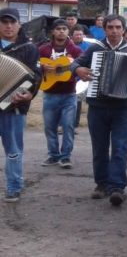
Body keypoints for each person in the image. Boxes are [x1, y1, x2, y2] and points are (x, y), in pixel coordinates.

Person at [72, 14, 127, 206]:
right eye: (110, 27)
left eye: (118, 27)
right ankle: (101, 184)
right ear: (104, 29)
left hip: (124, 107)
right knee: (99, 147)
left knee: (120, 147)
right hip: (98, 105)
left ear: (123, 29)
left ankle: (117, 187)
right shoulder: (95, 48)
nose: (114, 31)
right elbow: (75, 63)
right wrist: (78, 70)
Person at [0, 7, 41, 202]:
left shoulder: (29, 48)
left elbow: (34, 77)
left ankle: (14, 186)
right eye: (4, 22)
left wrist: (27, 94)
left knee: (14, 150)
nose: (8, 26)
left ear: (19, 25)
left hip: (13, 106)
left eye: (12, 22)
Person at [38, 18, 82, 169]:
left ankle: (65, 156)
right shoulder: (43, 49)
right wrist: (42, 67)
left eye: (64, 29)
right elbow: (34, 65)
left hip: (69, 95)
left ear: (68, 31)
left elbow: (82, 66)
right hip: (49, 93)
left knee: (68, 126)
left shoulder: (75, 50)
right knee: (49, 127)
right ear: (52, 32)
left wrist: (74, 70)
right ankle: (53, 155)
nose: (61, 31)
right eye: (58, 29)